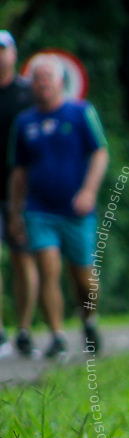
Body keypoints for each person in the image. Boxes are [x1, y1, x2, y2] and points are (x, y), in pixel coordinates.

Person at [9, 55, 108, 358]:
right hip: (38, 209)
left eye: (47, 79)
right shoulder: (25, 123)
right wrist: (15, 212)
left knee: (84, 277)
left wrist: (89, 191)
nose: (42, 85)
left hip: (76, 210)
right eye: (36, 80)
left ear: (60, 82)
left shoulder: (80, 113)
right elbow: (19, 171)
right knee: (47, 268)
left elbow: (100, 153)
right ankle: (57, 335)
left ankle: (89, 319)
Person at [0, 30, 35, 357]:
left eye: (2, 49)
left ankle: (24, 329)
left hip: (20, 191)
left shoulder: (28, 93)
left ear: (13, 53)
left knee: (22, 257)